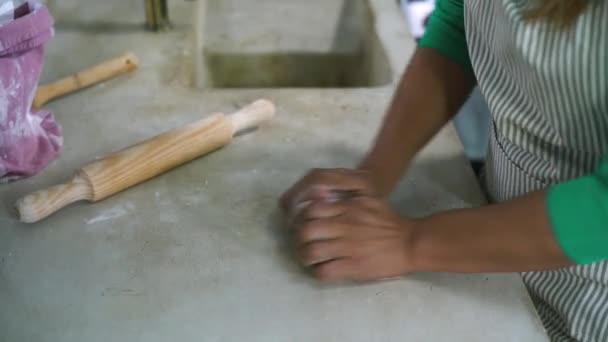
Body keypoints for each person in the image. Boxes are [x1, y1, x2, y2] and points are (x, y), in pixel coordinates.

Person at [280, 1, 608, 341]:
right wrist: (375, 175)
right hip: (493, 252)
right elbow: (459, 24)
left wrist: (408, 242)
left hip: (589, 303)